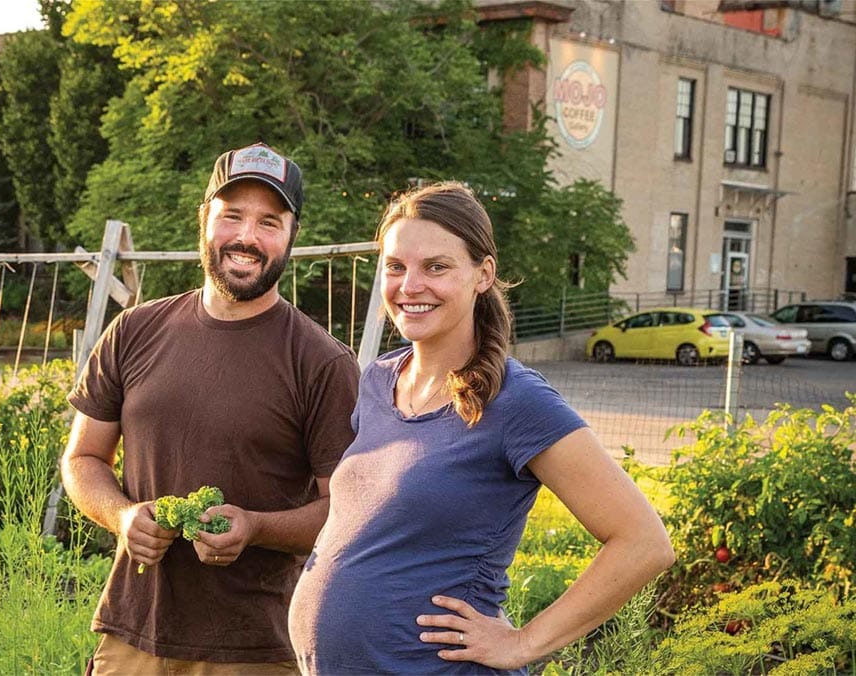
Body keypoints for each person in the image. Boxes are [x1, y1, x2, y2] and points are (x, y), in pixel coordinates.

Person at [288, 181, 675, 674]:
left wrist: (525, 642)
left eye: (436, 267)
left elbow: (643, 542)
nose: (410, 286)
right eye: (396, 266)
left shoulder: (515, 400)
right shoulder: (380, 379)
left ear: (482, 274)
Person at [62, 142, 361, 675]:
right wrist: (123, 514)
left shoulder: (321, 362)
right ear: (205, 220)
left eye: (270, 221)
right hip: (133, 634)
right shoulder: (134, 330)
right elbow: (83, 458)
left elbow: (346, 512)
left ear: (293, 236)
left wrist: (255, 527)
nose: (247, 236)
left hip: (258, 649)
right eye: (232, 216)